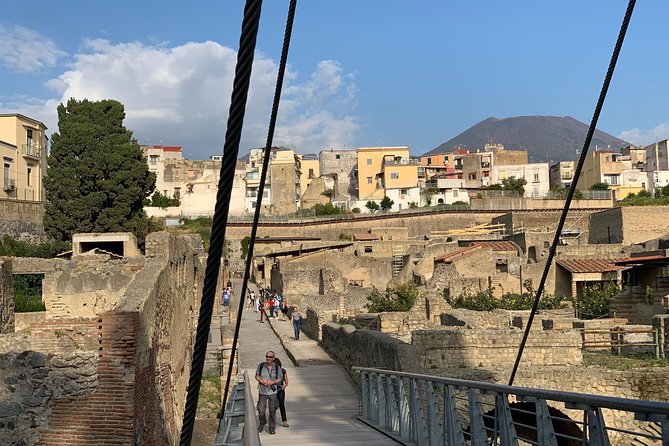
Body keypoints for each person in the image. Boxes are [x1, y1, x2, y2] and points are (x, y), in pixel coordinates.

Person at [255, 351, 283, 434]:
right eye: (267, 356)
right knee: (261, 410)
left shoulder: (277, 367)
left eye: (270, 357)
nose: (268, 358)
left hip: (272, 392)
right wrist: (261, 381)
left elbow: (280, 378)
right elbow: (256, 376)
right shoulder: (261, 366)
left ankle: (272, 428)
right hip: (262, 391)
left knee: (272, 411)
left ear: (273, 358)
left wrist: (273, 382)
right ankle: (262, 423)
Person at [273, 357, 289, 427]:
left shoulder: (283, 371)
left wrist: (285, 386)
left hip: (280, 390)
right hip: (272, 390)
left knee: (282, 405)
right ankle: (272, 421)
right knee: (273, 406)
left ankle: (284, 421)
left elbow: (286, 380)